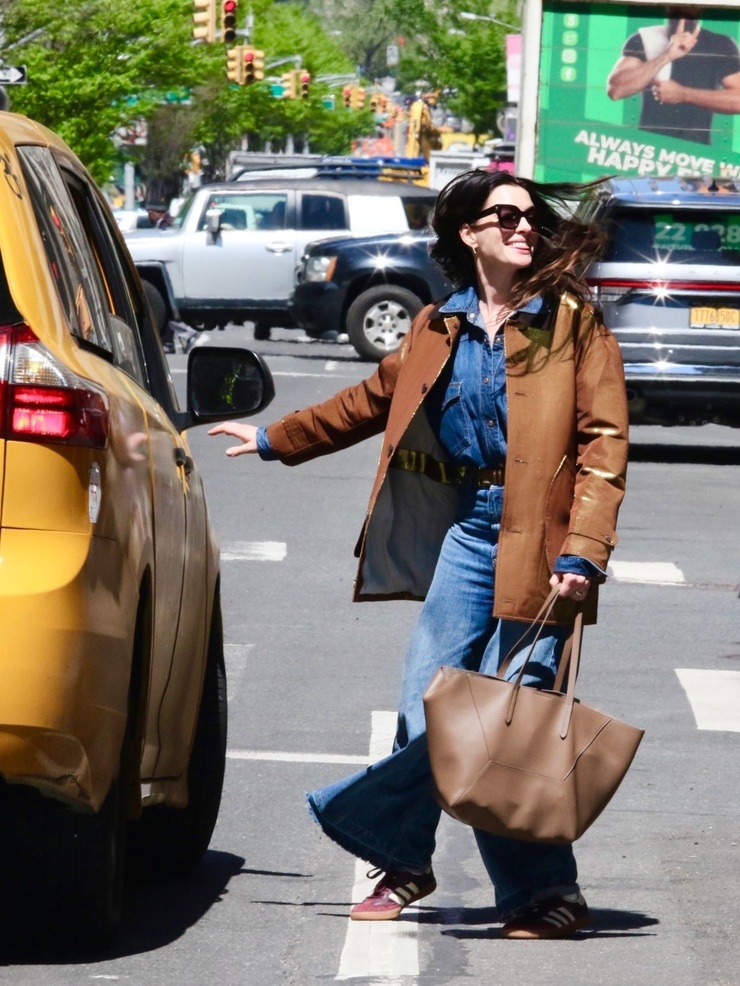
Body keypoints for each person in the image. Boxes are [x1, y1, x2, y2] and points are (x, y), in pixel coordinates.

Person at [208, 170, 629, 940]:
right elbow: (371, 401)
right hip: (469, 529)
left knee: (509, 718)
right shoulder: (440, 324)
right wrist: (273, 437)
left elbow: (604, 444)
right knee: (424, 704)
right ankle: (405, 860)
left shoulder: (572, 324)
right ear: (468, 233)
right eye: (506, 216)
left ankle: (546, 892)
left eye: (532, 218)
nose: (524, 228)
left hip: (543, 539)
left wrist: (584, 549)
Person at [606, 7, 740, 145]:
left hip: (697, 151)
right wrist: (667, 55)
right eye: (677, 10)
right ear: (667, 7)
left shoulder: (720, 44)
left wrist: (683, 94)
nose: (682, 19)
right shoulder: (645, 39)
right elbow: (615, 91)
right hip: (650, 148)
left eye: (689, 9)